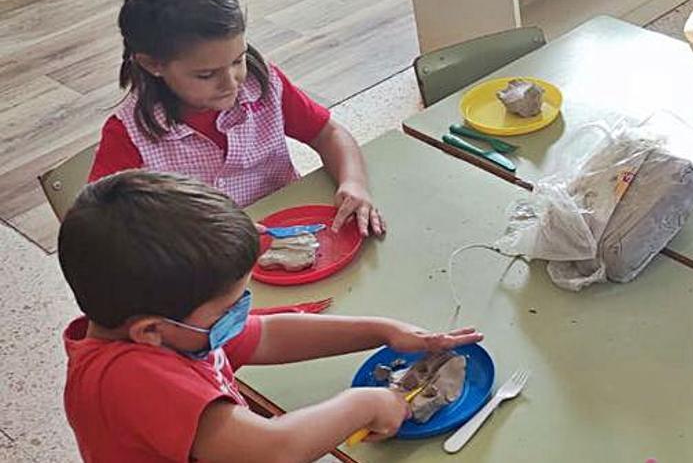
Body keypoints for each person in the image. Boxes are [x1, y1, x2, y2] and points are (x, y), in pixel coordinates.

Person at [60, 170, 481, 461]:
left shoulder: (175, 330)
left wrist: (383, 331)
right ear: (150, 329)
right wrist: (365, 403)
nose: (241, 312)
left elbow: (267, 336)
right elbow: (274, 451)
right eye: (229, 307)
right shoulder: (128, 378)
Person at [89, 0, 384, 237]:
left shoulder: (262, 82)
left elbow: (328, 132)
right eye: (206, 75)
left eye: (237, 60)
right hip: (205, 262)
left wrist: (353, 181)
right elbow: (102, 222)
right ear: (153, 64)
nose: (231, 83)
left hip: (288, 228)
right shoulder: (128, 134)